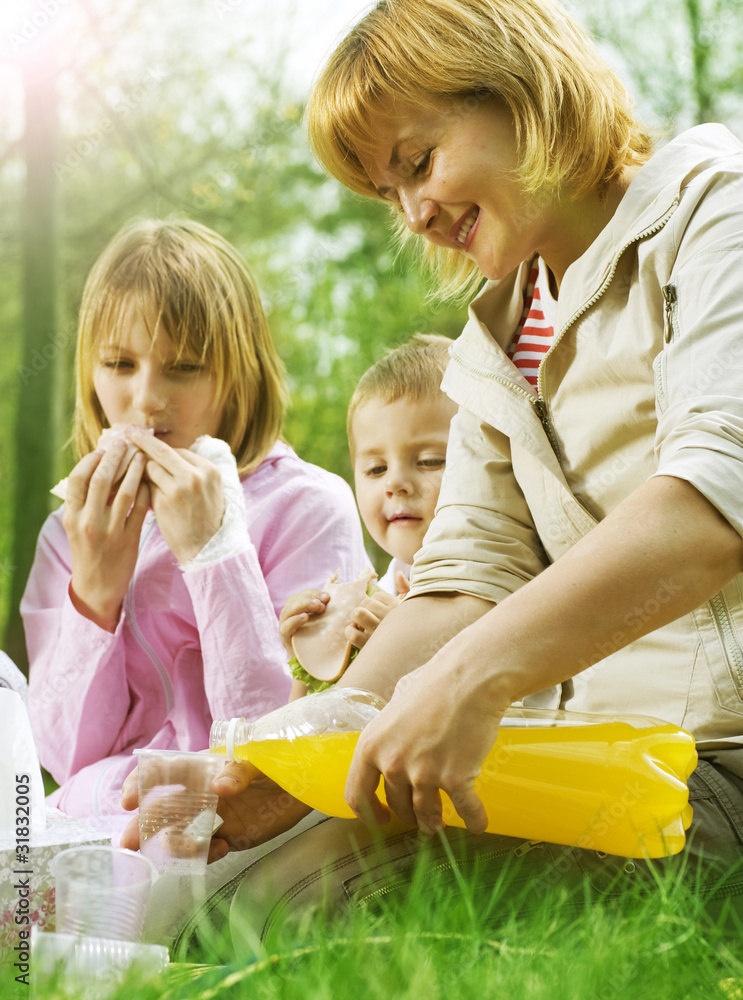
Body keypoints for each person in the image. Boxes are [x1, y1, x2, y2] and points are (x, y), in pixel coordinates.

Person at [130, 0, 743, 951]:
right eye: (388, 192)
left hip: (714, 765)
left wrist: (473, 679)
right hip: (589, 768)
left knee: (335, 909)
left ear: (524, 94)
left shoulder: (714, 211)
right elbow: (463, 579)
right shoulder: (493, 343)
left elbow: (714, 501)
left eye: (416, 162)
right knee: (233, 893)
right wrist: (292, 757)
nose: (412, 209)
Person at [23, 217, 368, 825]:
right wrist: (94, 591)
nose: (148, 398)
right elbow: (62, 757)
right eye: (120, 364)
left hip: (253, 826)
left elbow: (280, 751)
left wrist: (215, 553)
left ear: (237, 374)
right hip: (106, 822)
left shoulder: (309, 507)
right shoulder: (70, 531)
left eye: (183, 368)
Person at [279, 333, 457, 698]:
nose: (395, 483)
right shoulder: (375, 596)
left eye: (429, 461)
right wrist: (308, 660)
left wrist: (401, 650)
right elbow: (309, 732)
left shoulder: (492, 599)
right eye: (376, 469)